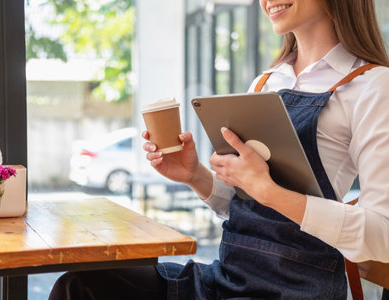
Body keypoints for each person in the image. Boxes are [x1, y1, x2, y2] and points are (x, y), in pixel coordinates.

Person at [49, 0, 389, 299]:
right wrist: (195, 175)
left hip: (297, 288)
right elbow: (250, 208)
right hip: (227, 279)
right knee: (79, 286)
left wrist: (269, 192)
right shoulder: (265, 82)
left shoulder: (372, 86)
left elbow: (383, 235)